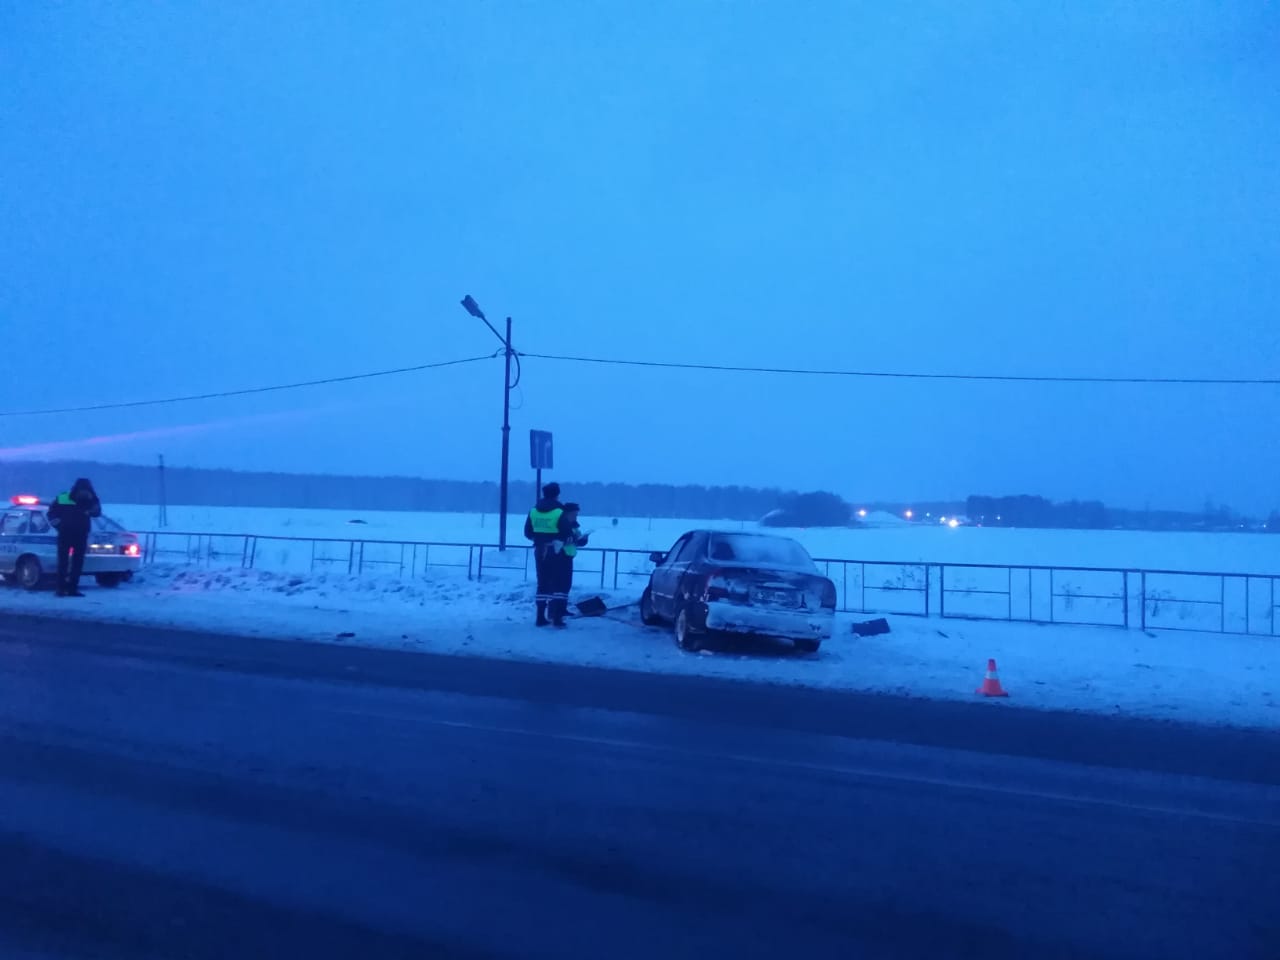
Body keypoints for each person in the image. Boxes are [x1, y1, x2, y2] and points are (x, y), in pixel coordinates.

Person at [524, 482, 572, 626]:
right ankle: (557, 618)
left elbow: (527, 532)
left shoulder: (533, 511)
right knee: (558, 583)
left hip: (540, 550)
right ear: (557, 494)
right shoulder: (559, 511)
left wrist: (539, 539)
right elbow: (567, 533)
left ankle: (540, 617)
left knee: (542, 582)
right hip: (556, 551)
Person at [46, 478, 102, 597]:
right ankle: (71, 589)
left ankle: (61, 589)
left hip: (66, 533)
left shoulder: (64, 497)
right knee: (76, 562)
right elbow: (97, 512)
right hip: (79, 533)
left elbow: (51, 513)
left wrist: (59, 525)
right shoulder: (91, 497)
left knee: (64, 562)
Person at [548, 502, 590, 625]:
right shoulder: (561, 524)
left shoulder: (574, 526)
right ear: (567, 513)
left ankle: (562, 609)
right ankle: (555, 613)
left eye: (577, 514)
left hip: (568, 556)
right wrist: (573, 539)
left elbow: (577, 541)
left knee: (566, 586)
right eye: (574, 514)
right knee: (559, 586)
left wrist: (584, 539)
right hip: (559, 557)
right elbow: (559, 540)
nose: (576, 517)